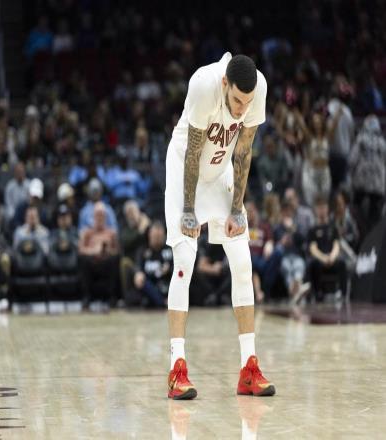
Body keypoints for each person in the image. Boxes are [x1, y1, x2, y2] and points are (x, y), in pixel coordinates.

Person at [165, 53, 275, 399]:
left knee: (243, 263)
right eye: (237, 101)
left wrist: (237, 210)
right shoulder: (203, 85)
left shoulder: (257, 89)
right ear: (225, 84)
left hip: (220, 168)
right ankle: (176, 368)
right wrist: (188, 210)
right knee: (185, 261)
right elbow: (193, 152)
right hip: (186, 168)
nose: (242, 110)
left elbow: (243, 151)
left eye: (248, 102)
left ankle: (249, 368)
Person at [78, 202, 119, 310]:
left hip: (106, 263)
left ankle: (111, 298)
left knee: (114, 260)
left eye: (102, 215)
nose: (100, 218)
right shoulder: (87, 233)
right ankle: (86, 297)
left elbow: (116, 251)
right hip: (91, 262)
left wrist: (107, 251)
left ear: (105, 217)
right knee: (83, 260)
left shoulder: (111, 233)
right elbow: (81, 250)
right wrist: (94, 251)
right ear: (93, 216)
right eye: (97, 215)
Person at [308, 197, 348, 301]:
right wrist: (323, 258)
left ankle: (343, 293)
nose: (321, 210)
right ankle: (318, 293)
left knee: (342, 263)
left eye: (323, 207)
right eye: (319, 208)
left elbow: (336, 245)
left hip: (332, 258)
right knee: (313, 264)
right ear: (315, 210)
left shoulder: (333, 227)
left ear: (327, 208)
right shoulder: (312, 229)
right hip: (320, 258)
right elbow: (313, 248)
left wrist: (332, 257)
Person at [132, 221, 172, 308]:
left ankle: (164, 301)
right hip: (150, 285)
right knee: (141, 280)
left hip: (166, 284)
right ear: (149, 235)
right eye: (155, 236)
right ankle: (162, 302)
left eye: (159, 236)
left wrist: (169, 269)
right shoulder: (143, 251)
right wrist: (138, 273)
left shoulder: (169, 250)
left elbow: (176, 268)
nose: (157, 238)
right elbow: (137, 266)